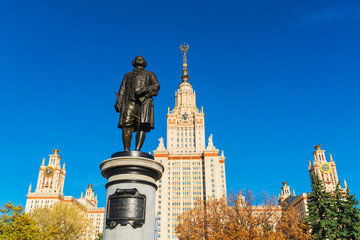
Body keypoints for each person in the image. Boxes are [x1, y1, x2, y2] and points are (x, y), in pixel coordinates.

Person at [114, 56, 160, 151]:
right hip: (129, 102)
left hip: (143, 102)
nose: (139, 59)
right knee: (126, 124)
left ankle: (137, 150)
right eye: (137, 58)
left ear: (144, 62)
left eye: (141, 58)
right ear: (134, 62)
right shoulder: (127, 75)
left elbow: (156, 86)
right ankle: (126, 150)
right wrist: (118, 102)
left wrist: (145, 90)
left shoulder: (150, 74)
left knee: (142, 125)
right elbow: (122, 89)